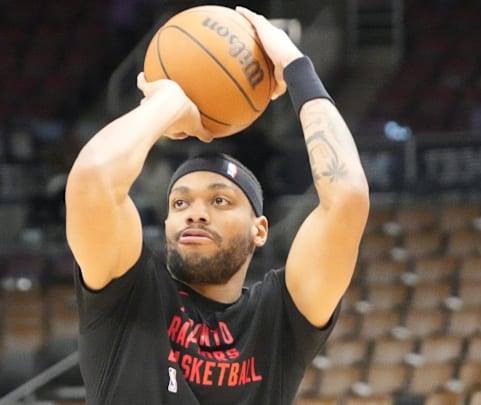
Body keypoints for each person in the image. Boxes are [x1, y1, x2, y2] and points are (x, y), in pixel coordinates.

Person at [65, 6, 370, 404]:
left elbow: (347, 197)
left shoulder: (277, 321)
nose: (195, 211)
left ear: (260, 229)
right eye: (180, 202)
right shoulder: (129, 290)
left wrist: (296, 67)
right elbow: (92, 181)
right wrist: (166, 104)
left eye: (220, 200)